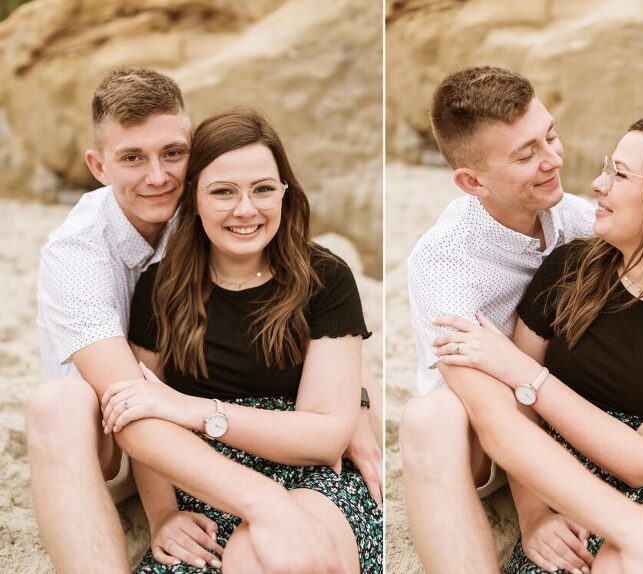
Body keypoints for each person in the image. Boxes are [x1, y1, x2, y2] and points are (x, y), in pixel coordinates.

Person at [401, 65, 643, 574]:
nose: (556, 162)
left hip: (631, 447)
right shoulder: (450, 265)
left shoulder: (576, 221)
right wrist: (533, 518)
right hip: (495, 431)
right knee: (428, 418)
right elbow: (501, 414)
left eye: (549, 136)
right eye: (527, 154)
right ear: (472, 181)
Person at [28, 67, 383, 573]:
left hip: (223, 427)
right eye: (132, 157)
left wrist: (356, 408)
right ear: (98, 165)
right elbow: (136, 404)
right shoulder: (78, 256)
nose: (157, 176)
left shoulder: (206, 209)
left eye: (172, 153)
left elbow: (311, 306)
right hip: (115, 445)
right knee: (56, 403)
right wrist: (171, 512)